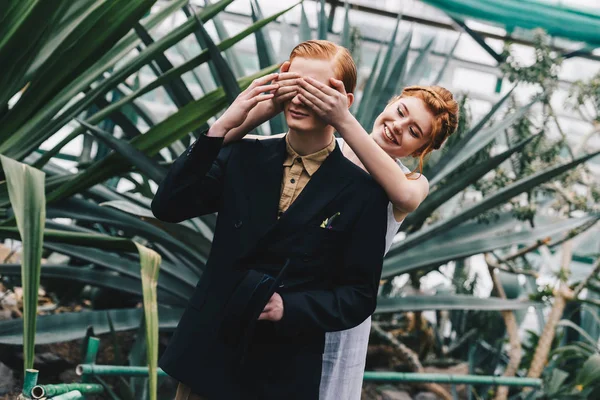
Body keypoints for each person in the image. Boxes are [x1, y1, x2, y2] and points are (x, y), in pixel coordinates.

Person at [151, 40, 390, 400]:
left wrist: (289, 307)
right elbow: (168, 206)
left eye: (313, 89)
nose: (298, 99)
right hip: (209, 353)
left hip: (284, 371)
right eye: (291, 84)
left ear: (344, 101)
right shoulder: (243, 155)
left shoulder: (363, 191)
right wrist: (224, 124)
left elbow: (358, 296)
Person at [224, 74, 459, 399]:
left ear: (422, 149)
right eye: (401, 111)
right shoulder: (326, 144)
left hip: (336, 309)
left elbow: (405, 196)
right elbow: (262, 152)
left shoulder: (409, 181)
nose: (398, 126)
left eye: (414, 132)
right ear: (391, 102)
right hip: (275, 295)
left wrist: (341, 118)